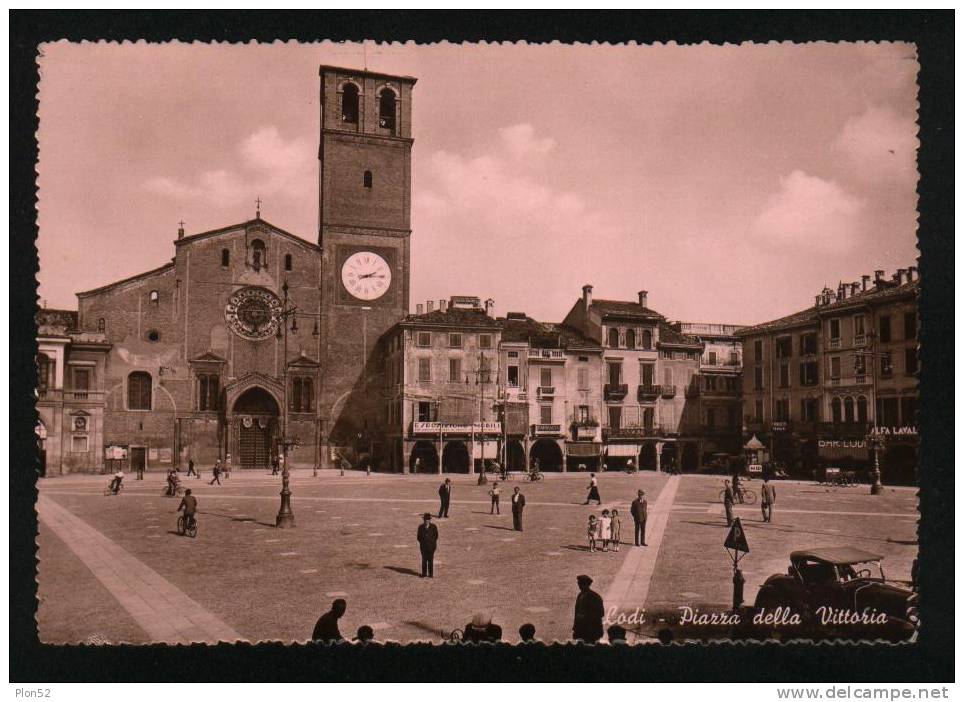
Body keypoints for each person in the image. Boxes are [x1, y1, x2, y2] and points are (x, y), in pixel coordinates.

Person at [572, 574, 605, 643]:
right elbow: (577, 612)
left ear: (586, 584)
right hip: (581, 630)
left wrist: (585, 617)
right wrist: (575, 628)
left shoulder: (595, 597)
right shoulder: (580, 595)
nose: (579, 586)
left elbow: (601, 613)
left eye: (580, 584)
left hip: (591, 630)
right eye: (579, 583)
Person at [416, 513, 439, 578]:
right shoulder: (420, 527)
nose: (426, 521)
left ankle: (431, 574)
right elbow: (418, 537)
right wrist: (423, 543)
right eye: (425, 520)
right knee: (424, 560)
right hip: (423, 547)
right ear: (423, 520)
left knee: (430, 561)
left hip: (431, 547)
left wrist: (432, 543)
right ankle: (424, 574)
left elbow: (436, 536)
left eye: (427, 520)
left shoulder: (433, 527)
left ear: (429, 520)